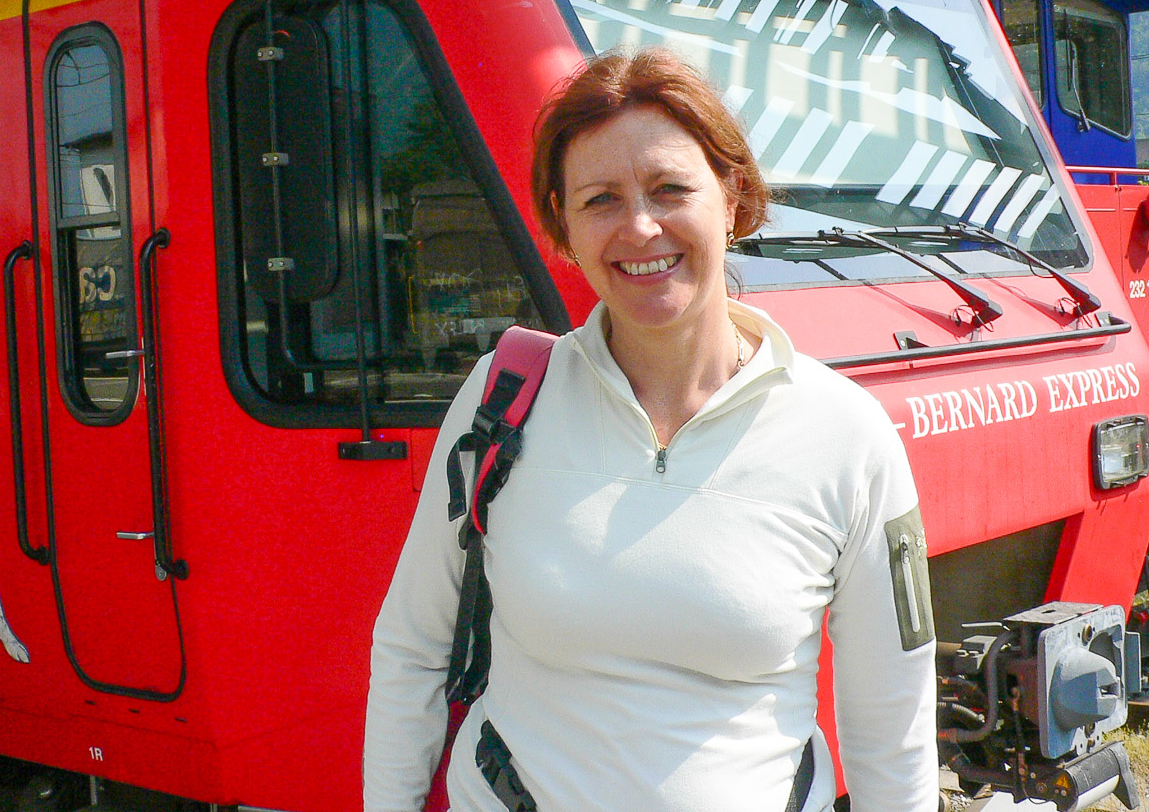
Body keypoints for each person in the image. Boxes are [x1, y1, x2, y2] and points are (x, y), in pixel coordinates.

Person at [365, 48, 938, 811]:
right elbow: (412, 648)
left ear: (731, 198)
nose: (640, 227)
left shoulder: (847, 433)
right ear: (564, 229)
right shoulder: (501, 399)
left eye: (670, 188)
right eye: (600, 199)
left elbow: (891, 722)